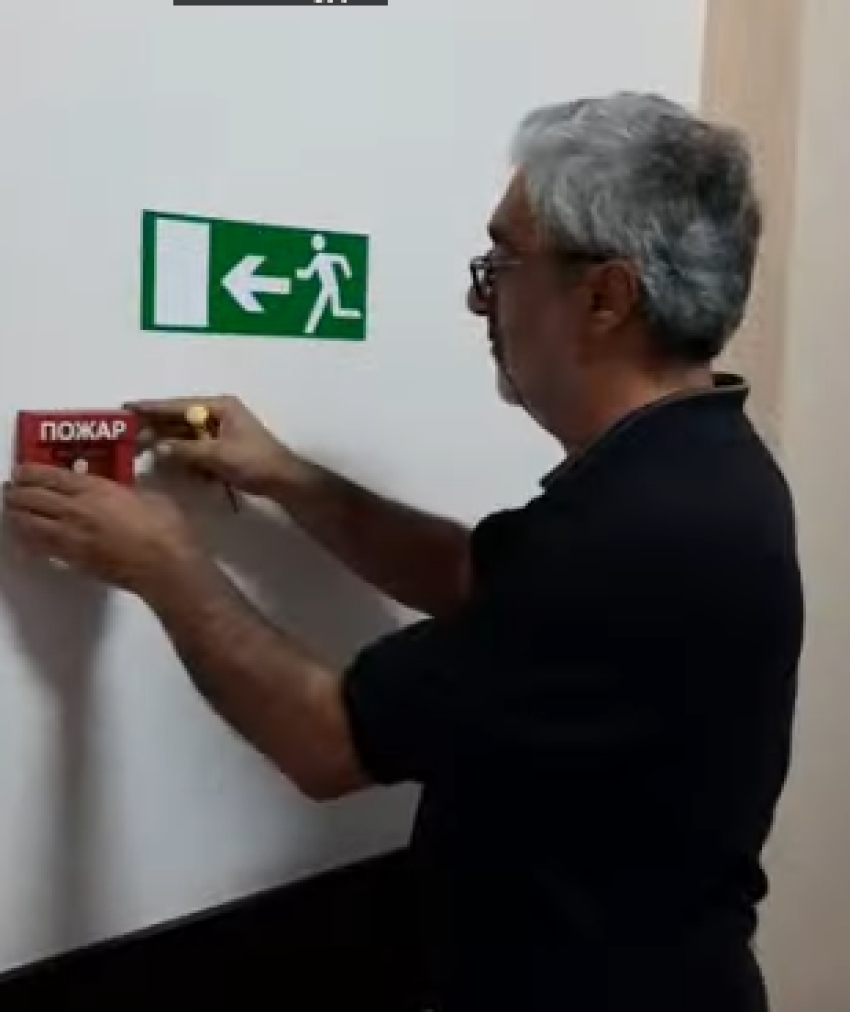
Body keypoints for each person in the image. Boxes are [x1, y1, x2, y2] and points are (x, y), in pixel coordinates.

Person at [3, 93, 803, 1011]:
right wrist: (291, 478)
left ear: (605, 298)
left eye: (501, 265)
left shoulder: (638, 533)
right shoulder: (699, 466)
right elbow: (472, 578)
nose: (478, 300)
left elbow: (326, 742)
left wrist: (163, 562)